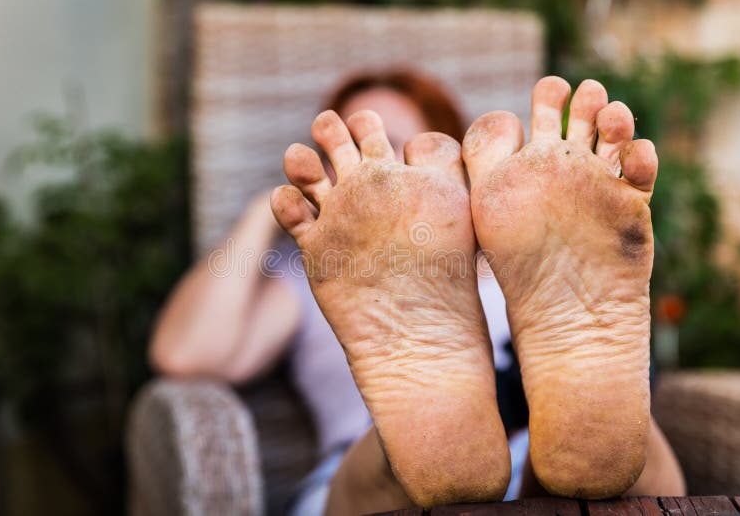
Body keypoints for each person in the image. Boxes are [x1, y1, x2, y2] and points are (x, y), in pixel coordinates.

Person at [151, 72, 685, 515]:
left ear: (456, 167)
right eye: (360, 156)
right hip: (365, 483)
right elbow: (187, 354)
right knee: (414, 458)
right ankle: (434, 436)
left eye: (396, 151)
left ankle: (582, 425)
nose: (381, 177)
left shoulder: (529, 247)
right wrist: (262, 213)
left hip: (534, 443)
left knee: (597, 445)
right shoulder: (321, 269)